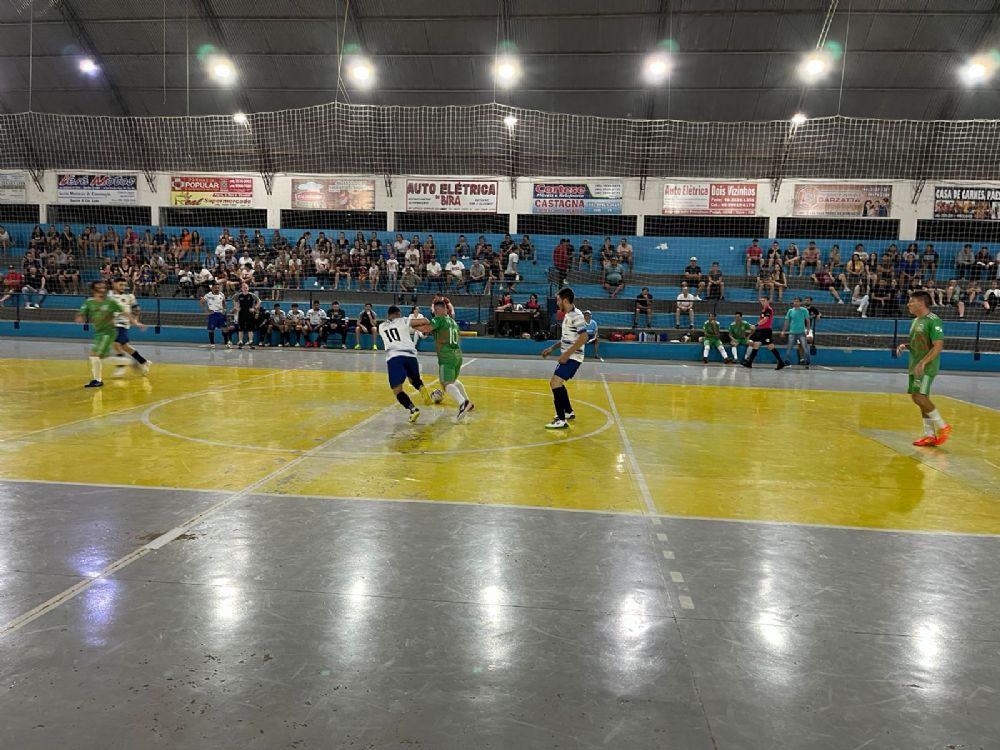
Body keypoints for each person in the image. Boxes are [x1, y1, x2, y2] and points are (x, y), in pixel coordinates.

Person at [895, 291, 951, 447]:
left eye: (911, 301)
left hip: (926, 366)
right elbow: (919, 343)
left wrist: (923, 363)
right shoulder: (916, 321)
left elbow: (938, 346)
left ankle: (943, 426)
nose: (908, 304)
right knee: (917, 398)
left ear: (920, 302)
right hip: (915, 364)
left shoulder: (934, 320)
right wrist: (905, 346)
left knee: (920, 397)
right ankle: (930, 436)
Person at [411, 299, 474, 422]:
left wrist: (410, 325)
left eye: (434, 310)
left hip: (446, 355)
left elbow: (426, 329)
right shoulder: (453, 322)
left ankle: (463, 403)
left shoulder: (438, 319)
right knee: (453, 381)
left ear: (436, 310)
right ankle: (468, 402)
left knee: (445, 384)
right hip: (457, 354)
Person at [74, 281, 142, 388]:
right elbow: (82, 311)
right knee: (101, 358)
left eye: (103, 288)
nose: (102, 290)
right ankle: (128, 362)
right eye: (99, 288)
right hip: (98, 333)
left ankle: (97, 380)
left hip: (108, 333)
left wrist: (135, 322)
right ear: (93, 290)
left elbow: (125, 312)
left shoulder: (110, 302)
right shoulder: (89, 302)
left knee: (94, 355)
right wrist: (80, 316)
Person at [541, 288, 588, 430]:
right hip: (570, 356)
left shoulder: (577, 316)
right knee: (558, 383)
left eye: (558, 300)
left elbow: (584, 337)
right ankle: (568, 412)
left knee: (554, 383)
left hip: (573, 357)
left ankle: (561, 419)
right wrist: (552, 349)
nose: (557, 302)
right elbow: (567, 339)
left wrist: (566, 355)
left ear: (565, 300)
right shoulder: (568, 315)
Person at [379, 305, 433, 423]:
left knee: (397, 390)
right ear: (398, 314)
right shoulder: (403, 320)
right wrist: (420, 326)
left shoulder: (381, 327)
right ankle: (421, 387)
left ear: (388, 315)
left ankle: (413, 409)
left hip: (394, 357)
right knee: (413, 379)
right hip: (410, 355)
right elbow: (425, 321)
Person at [108, 277, 151, 378]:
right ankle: (143, 361)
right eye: (120, 285)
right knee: (124, 346)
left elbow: (136, 309)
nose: (123, 287)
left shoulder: (129, 296)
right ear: (114, 284)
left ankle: (121, 366)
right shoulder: (109, 295)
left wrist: (136, 321)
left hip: (122, 323)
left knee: (116, 343)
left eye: (124, 285)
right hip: (111, 324)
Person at [741, 296, 787, 370]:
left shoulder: (768, 309)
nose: (762, 302)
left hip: (766, 331)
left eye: (764, 300)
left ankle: (781, 362)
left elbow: (765, 319)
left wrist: (756, 325)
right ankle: (749, 363)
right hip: (761, 330)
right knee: (756, 344)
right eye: (761, 301)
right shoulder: (764, 309)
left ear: (768, 301)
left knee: (770, 346)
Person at [781, 297, 811, 368]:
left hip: (801, 333)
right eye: (794, 301)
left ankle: (808, 361)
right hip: (792, 333)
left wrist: (808, 329)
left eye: (797, 301)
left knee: (805, 348)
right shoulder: (790, 311)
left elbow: (808, 320)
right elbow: (786, 321)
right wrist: (783, 331)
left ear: (800, 303)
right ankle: (787, 361)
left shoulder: (804, 310)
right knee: (789, 348)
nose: (795, 303)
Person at [232, 282, 261, 349]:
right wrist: (236, 307)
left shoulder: (251, 295)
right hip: (241, 313)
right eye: (243, 287)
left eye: (246, 287)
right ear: (241, 288)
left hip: (249, 314)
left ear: (248, 288)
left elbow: (259, 301)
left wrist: (254, 308)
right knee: (240, 329)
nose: (245, 288)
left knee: (250, 329)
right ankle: (240, 342)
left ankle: (251, 342)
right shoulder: (238, 295)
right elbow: (234, 300)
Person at [200, 281, 228, 349]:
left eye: (218, 288)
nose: (217, 289)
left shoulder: (222, 294)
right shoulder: (208, 295)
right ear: (212, 288)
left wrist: (224, 309)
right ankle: (212, 344)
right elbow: (201, 302)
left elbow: (224, 302)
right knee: (211, 329)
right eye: (215, 288)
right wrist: (206, 310)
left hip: (221, 314)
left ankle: (226, 343)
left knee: (225, 329)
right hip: (213, 314)